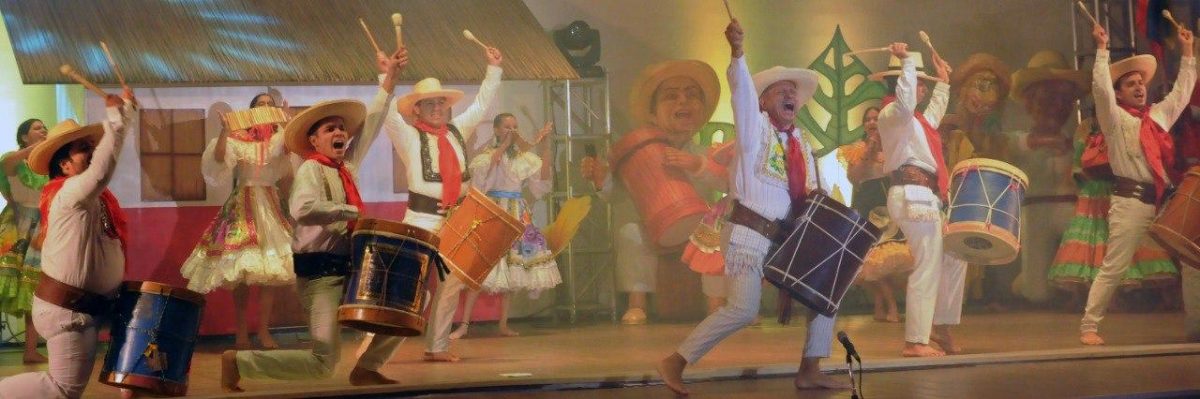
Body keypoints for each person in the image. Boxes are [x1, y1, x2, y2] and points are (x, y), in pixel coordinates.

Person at [656, 19, 848, 395]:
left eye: (793, 91)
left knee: (826, 294)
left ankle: (810, 368)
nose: (790, 95)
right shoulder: (753, 129)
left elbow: (809, 190)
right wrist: (738, 53)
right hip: (748, 234)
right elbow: (741, 93)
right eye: (780, 91)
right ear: (763, 101)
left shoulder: (800, 143)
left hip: (784, 237)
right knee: (744, 310)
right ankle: (674, 361)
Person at [220, 49, 407, 392]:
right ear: (314, 139)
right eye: (330, 128)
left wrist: (390, 79)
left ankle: (368, 367)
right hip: (319, 276)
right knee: (323, 363)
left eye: (342, 129)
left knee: (400, 315)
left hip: (350, 270)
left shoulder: (345, 167)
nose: (340, 133)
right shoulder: (310, 167)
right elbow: (302, 209)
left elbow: (374, 122)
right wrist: (349, 212)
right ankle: (240, 361)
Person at [0, 89, 136, 399]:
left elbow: (104, 163)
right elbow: (103, 167)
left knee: (132, 376)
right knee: (61, 389)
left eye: (92, 146)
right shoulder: (69, 194)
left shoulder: (95, 198)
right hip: (69, 310)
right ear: (64, 166)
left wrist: (124, 114)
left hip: (90, 306)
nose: (92, 151)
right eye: (82, 149)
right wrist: (117, 117)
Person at [379, 43, 503, 362]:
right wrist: (386, 75)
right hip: (420, 219)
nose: (437, 108)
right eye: (429, 103)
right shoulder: (408, 136)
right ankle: (375, 347)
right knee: (409, 287)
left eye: (441, 103)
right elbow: (387, 114)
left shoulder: (457, 131)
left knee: (452, 283)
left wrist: (493, 69)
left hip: (456, 221)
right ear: (417, 109)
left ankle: (437, 346)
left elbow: (482, 104)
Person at [579, 58, 727, 325]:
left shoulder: (709, 153)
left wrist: (698, 166)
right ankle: (638, 304)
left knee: (716, 236)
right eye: (671, 96)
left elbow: (726, 184)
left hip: (701, 224)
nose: (683, 102)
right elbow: (617, 196)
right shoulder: (642, 154)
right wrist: (602, 180)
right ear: (652, 113)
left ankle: (717, 305)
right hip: (656, 227)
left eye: (691, 96)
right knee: (631, 234)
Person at [1080, 23, 1194, 345]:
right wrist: (1102, 49)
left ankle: (1197, 322)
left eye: (1141, 82)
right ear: (1119, 93)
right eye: (1131, 83)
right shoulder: (1115, 119)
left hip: (1161, 202)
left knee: (1191, 256)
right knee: (1115, 266)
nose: (1139, 87)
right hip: (1130, 202)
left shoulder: (1157, 117)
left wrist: (1188, 53)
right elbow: (1100, 90)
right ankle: (1089, 326)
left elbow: (1182, 94)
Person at [180, 92, 295, 350]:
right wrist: (225, 131)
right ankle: (241, 332)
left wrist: (288, 124)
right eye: (261, 105)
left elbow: (290, 151)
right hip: (243, 202)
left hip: (270, 203)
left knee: (270, 273)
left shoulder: (279, 137)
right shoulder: (239, 138)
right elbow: (219, 160)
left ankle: (264, 331)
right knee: (240, 272)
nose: (266, 108)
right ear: (251, 110)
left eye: (270, 105)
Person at [872, 41, 964, 357]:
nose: (922, 90)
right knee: (927, 263)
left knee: (954, 255)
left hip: (927, 196)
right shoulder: (892, 114)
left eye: (925, 86)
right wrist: (907, 61)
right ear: (901, 83)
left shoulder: (917, 123)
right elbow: (906, 101)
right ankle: (915, 340)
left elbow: (935, 111)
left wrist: (944, 81)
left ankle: (940, 326)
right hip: (913, 195)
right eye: (918, 84)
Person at [1049, 110, 1178, 309]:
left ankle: (1114, 296)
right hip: (1095, 192)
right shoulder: (1088, 128)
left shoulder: (1127, 124)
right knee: (1096, 242)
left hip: (1118, 189)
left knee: (1114, 241)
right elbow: (1078, 163)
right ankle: (1097, 298)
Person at [451, 116, 558, 339]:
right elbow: (482, 181)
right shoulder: (487, 157)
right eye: (507, 127)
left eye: (515, 127)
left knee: (512, 270)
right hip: (494, 211)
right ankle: (464, 325)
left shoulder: (523, 158)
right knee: (480, 269)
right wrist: (504, 146)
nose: (512, 130)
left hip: (517, 211)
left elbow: (543, 178)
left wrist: (546, 146)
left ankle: (503, 324)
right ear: (497, 130)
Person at [844, 106, 911, 323]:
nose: (872, 122)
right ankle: (889, 305)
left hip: (888, 206)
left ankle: (881, 307)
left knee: (884, 262)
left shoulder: (893, 148)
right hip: (866, 207)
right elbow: (854, 178)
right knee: (865, 262)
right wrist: (869, 152)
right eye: (868, 119)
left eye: (876, 118)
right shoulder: (857, 148)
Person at [0, 118, 50, 363]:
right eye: (37, 128)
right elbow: (7, 165)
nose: (44, 130)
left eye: (45, 127)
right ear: (23, 137)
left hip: (39, 228)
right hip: (16, 227)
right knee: (5, 281)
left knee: (32, 287)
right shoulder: (13, 159)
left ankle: (30, 350)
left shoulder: (49, 166)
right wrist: (37, 148)